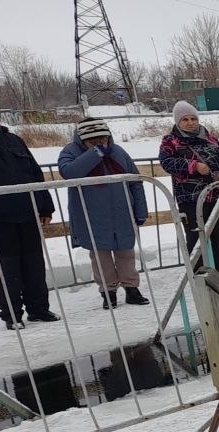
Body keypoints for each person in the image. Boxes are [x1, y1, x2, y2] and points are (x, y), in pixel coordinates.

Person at [0, 94, 58, 329]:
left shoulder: (13, 140)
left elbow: (33, 173)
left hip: (26, 212)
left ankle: (39, 309)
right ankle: (12, 315)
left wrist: (44, 204)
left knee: (33, 264)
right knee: (5, 268)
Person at [57, 118, 149, 308]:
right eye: (93, 141)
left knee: (126, 253)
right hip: (92, 215)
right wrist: (95, 154)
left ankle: (132, 288)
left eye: (103, 140)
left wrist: (140, 210)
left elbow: (135, 181)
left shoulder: (118, 152)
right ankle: (108, 292)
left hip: (122, 213)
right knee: (100, 257)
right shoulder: (70, 152)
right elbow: (68, 172)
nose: (100, 144)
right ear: (82, 140)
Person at [159, 101, 219, 283]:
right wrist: (193, 166)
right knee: (196, 239)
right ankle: (200, 278)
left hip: (217, 195)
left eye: (193, 118)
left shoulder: (211, 139)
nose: (190, 122)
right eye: (185, 119)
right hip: (190, 198)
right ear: (178, 121)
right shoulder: (170, 141)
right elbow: (167, 163)